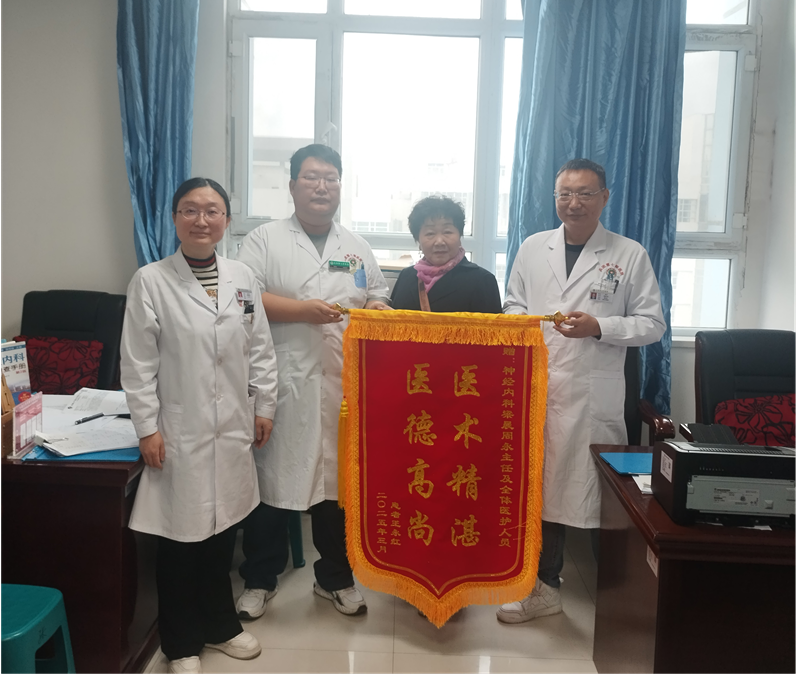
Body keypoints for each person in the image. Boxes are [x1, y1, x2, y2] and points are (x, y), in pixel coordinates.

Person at [497, 159, 665, 624]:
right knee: (543, 489)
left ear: (605, 197)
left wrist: (600, 326)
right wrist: (526, 324)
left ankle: (626, 598)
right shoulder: (533, 247)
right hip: (539, 387)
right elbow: (512, 305)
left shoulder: (629, 254)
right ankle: (544, 588)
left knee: (602, 493)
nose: (574, 203)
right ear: (555, 198)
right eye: (565, 194)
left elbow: (652, 325)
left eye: (585, 193)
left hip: (594, 394)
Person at [121, 178, 278, 674]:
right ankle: (181, 642)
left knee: (222, 531)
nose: (201, 220)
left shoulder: (242, 277)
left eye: (212, 210)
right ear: (174, 219)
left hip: (232, 426)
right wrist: (147, 427)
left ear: (226, 220)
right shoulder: (151, 281)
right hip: (180, 429)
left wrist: (265, 406)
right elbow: (137, 364)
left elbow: (260, 348)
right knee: (180, 539)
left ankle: (221, 626)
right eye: (190, 210)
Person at [235, 144, 391, 620]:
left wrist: (377, 307)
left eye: (331, 178)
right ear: (292, 186)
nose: (322, 186)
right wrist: (303, 311)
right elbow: (244, 299)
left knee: (335, 489)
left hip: (343, 386)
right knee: (272, 486)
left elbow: (377, 295)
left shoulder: (356, 246)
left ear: (340, 186)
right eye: (311, 177)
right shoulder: (263, 240)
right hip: (283, 381)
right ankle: (259, 580)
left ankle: (335, 579)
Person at [390, 195, 502, 313]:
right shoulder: (406, 277)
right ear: (418, 240)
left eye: (447, 232)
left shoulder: (483, 281)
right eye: (430, 233)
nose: (439, 241)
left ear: (460, 237)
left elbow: (492, 325)